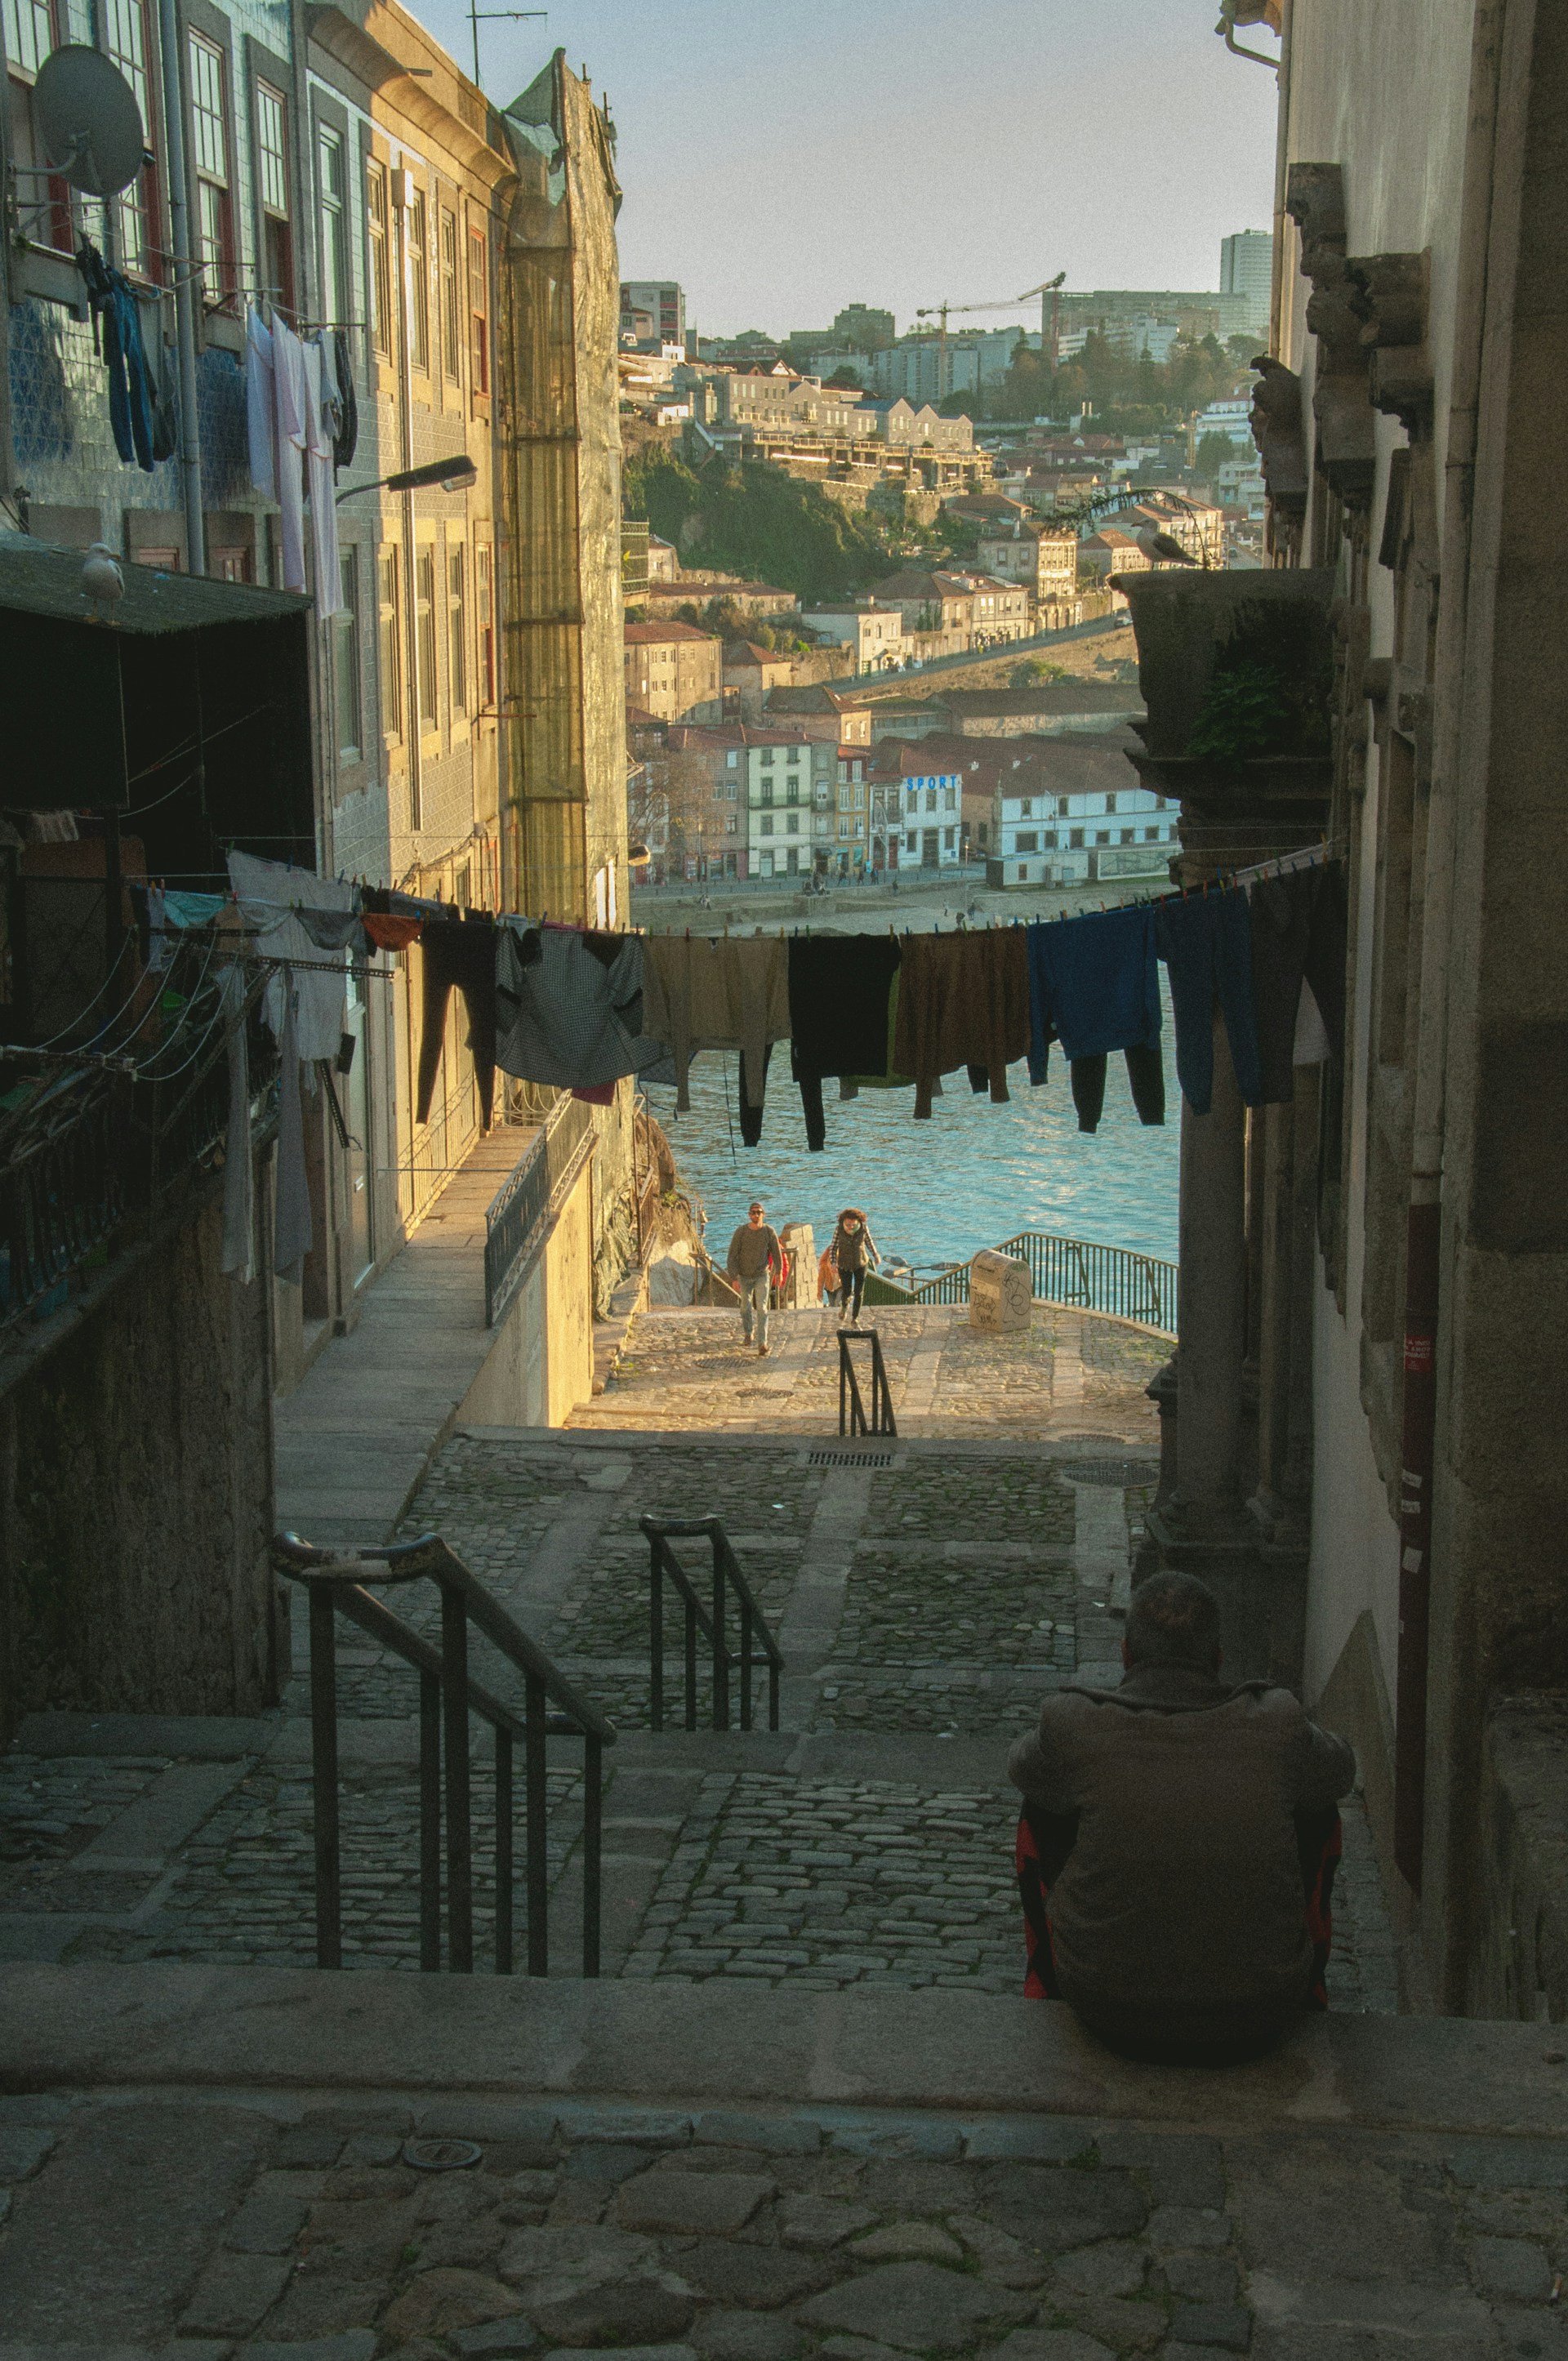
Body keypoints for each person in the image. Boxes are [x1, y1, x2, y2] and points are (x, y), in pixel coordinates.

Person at [1008, 1570, 1355, 2064]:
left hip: (1108, 2004)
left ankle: (1044, 1982)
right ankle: (1311, 1984)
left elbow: (1022, 1765)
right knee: (1314, 1806)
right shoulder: (1277, 1723)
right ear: (1217, 1659)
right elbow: (1340, 1770)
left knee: (1043, 1807)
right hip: (1261, 2007)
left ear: (1126, 1656)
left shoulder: (1075, 1724)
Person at [726, 1199, 782, 1356]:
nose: (756, 1215)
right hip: (744, 1276)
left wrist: (779, 1272)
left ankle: (762, 1343)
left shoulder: (769, 1231)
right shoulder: (741, 1232)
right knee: (745, 1306)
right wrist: (734, 1277)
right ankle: (748, 1332)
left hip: (762, 1275)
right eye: (753, 1213)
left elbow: (776, 1252)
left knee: (763, 1309)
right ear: (749, 1215)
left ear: (763, 1214)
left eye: (758, 1212)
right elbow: (732, 1255)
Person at [828, 1207, 879, 1326]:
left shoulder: (864, 1229)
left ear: (858, 1222)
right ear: (843, 1222)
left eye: (853, 1225)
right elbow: (833, 1247)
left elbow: (869, 1243)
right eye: (848, 1224)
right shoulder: (838, 1230)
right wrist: (833, 1263)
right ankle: (844, 1307)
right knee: (847, 1290)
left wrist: (876, 1255)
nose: (850, 1227)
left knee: (859, 1291)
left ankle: (855, 1318)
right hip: (844, 1264)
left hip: (861, 1263)